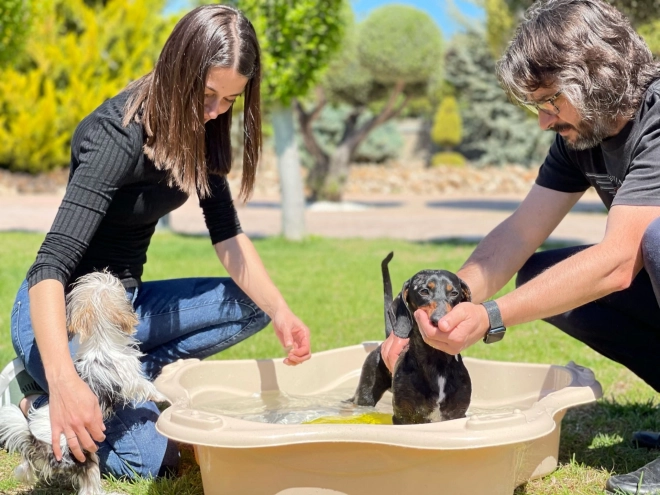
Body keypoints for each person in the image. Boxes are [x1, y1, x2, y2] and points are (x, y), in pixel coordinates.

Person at [9, 4, 311, 480]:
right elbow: (49, 266)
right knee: (156, 460)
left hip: (127, 312)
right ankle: (32, 394)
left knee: (255, 305)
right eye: (208, 94)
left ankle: (124, 381)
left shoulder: (204, 133)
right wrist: (67, 381)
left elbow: (227, 233)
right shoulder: (116, 135)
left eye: (230, 100)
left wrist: (282, 312)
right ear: (178, 69)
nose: (215, 112)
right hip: (64, 313)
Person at [379, 0, 660, 492]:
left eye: (551, 102)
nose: (543, 122)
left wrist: (492, 316)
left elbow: (618, 261)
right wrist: (444, 310)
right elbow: (518, 234)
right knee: (539, 278)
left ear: (593, 78)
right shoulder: (582, 135)